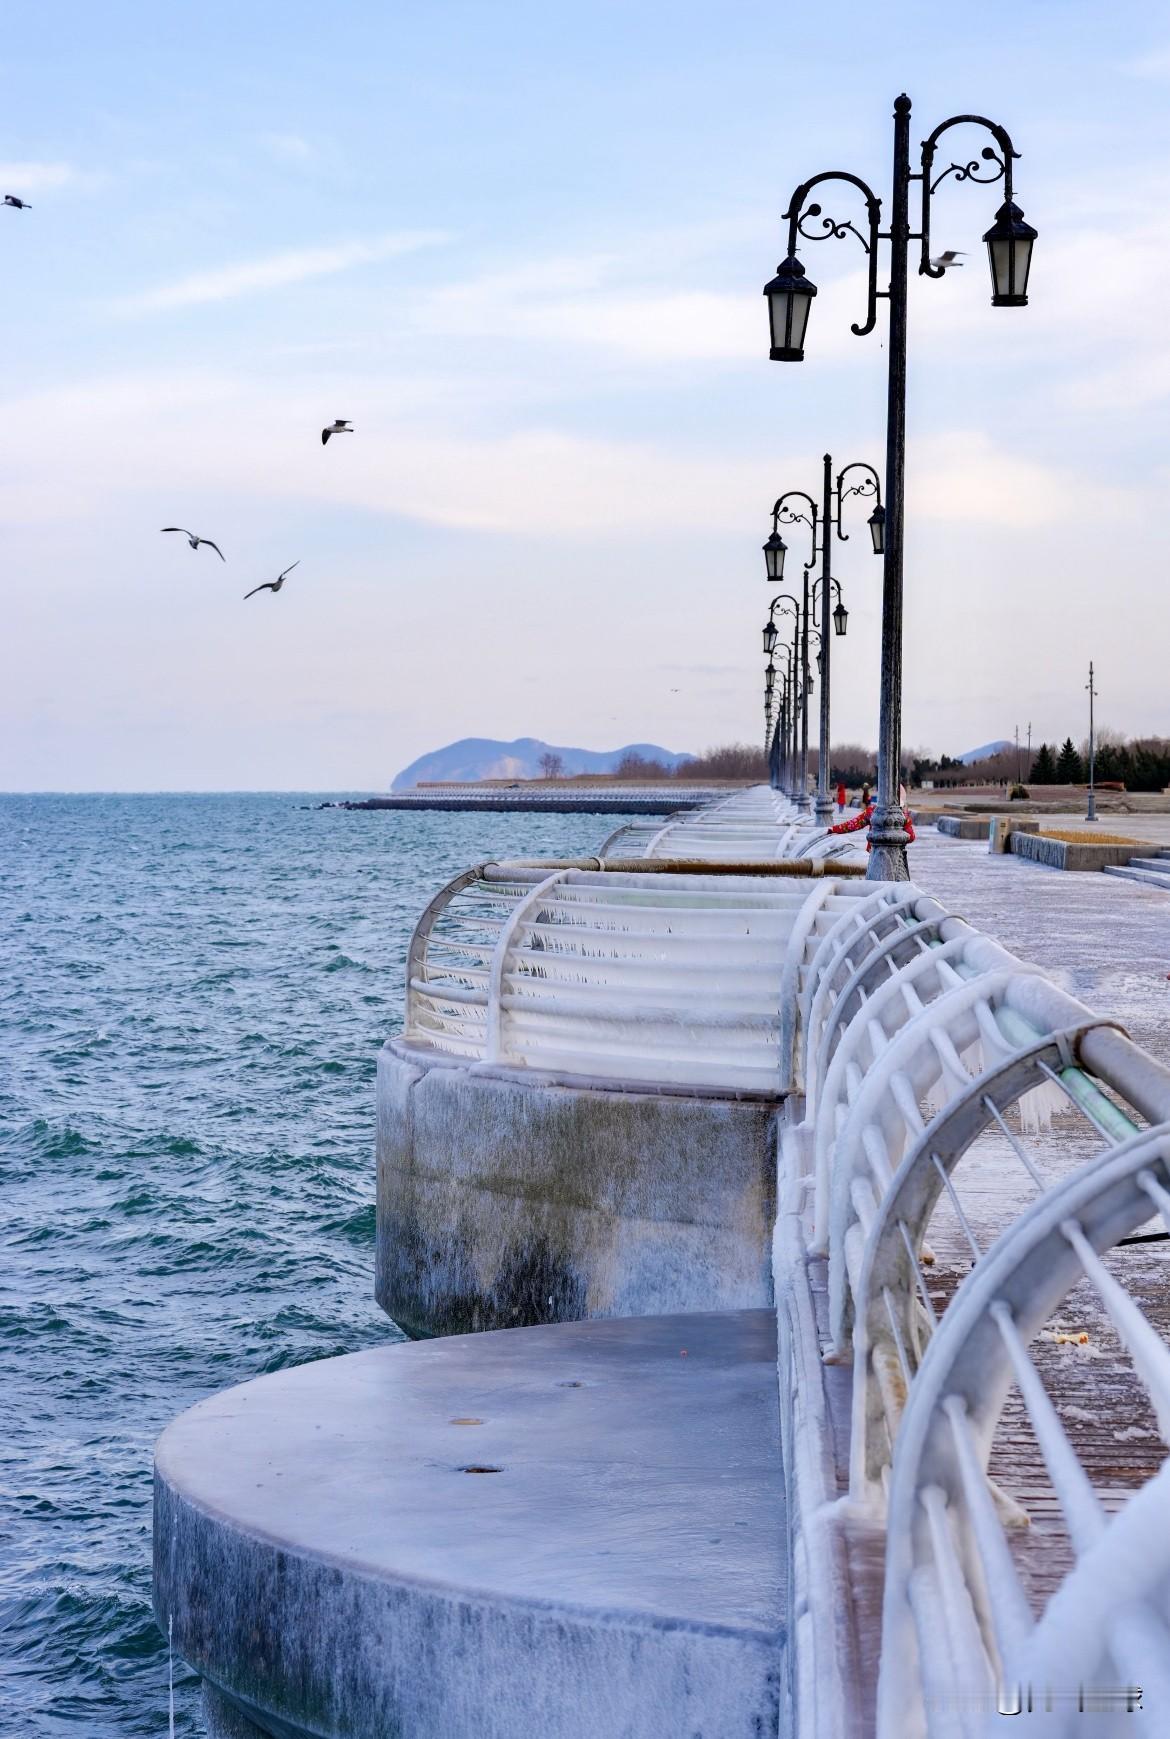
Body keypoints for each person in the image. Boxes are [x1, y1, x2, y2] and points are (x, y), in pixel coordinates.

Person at [828, 784, 916, 851]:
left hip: (873, 856)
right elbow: (911, 837)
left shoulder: (873, 811)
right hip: (895, 861)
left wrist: (833, 829)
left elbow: (853, 825)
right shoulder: (902, 817)